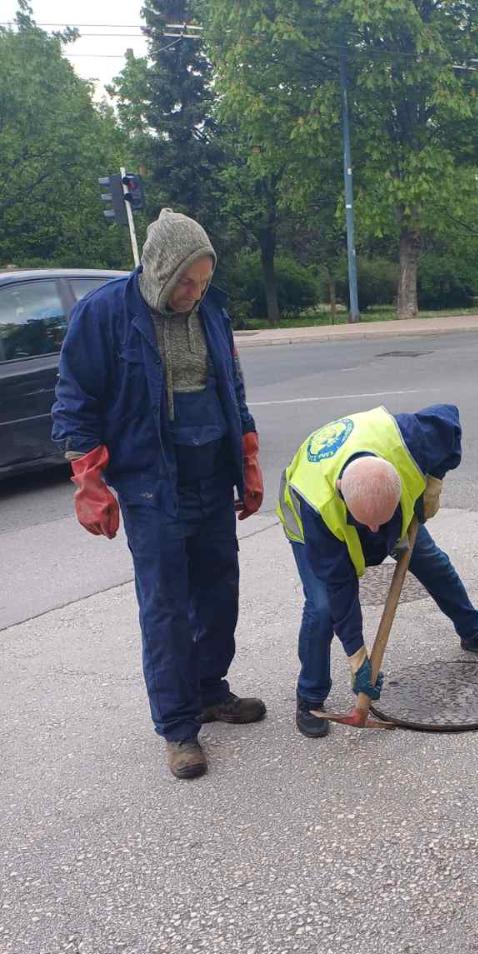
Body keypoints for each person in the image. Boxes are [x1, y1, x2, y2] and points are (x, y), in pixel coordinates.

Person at [52, 209, 265, 781]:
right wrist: (89, 480)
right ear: (160, 270)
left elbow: (232, 387)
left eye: (202, 281)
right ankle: (178, 727)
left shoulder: (212, 312)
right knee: (167, 606)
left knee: (219, 591)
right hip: (152, 483)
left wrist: (246, 457)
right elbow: (75, 400)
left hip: (209, 473)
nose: (194, 294)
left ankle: (210, 691)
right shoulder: (104, 314)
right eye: (185, 283)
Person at [277, 403, 478, 737]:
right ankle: (310, 697)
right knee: (321, 608)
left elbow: (449, 421)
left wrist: (433, 482)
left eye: (382, 524)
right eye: (369, 526)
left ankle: (475, 633)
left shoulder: (408, 440)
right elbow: (341, 590)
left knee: (432, 562)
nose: (376, 534)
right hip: (309, 525)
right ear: (342, 496)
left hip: (385, 505)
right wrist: (358, 657)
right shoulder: (318, 507)